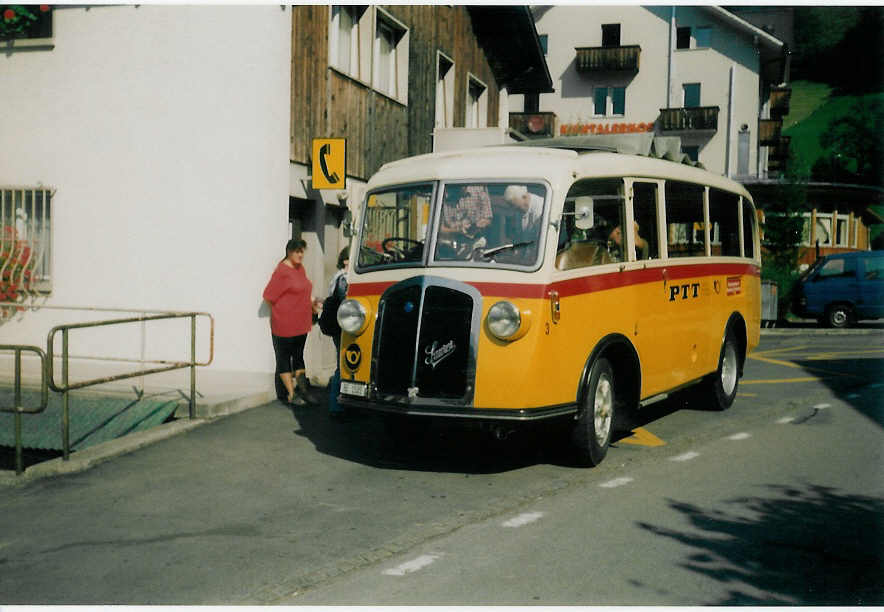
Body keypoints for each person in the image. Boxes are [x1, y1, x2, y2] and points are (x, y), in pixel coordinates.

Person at [263, 238, 321, 406]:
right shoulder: (281, 272)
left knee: (298, 357)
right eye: (297, 251)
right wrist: (283, 312)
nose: (300, 254)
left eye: (302, 251)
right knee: (283, 358)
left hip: (301, 323)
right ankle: (291, 393)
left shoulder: (300, 269)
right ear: (289, 252)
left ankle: (303, 391)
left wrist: (311, 304)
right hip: (284, 325)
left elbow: (302, 291)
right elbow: (268, 296)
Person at [322, 247, 349, 418]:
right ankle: (336, 406)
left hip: (335, 326)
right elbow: (345, 300)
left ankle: (337, 404)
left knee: (341, 364)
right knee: (342, 366)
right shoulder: (343, 278)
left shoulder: (337, 276)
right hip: (341, 327)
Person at [438, 184, 492, 256]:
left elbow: (488, 218)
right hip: (450, 246)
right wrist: (459, 230)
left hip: (477, 244)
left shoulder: (479, 189)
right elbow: (438, 228)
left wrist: (477, 225)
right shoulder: (441, 193)